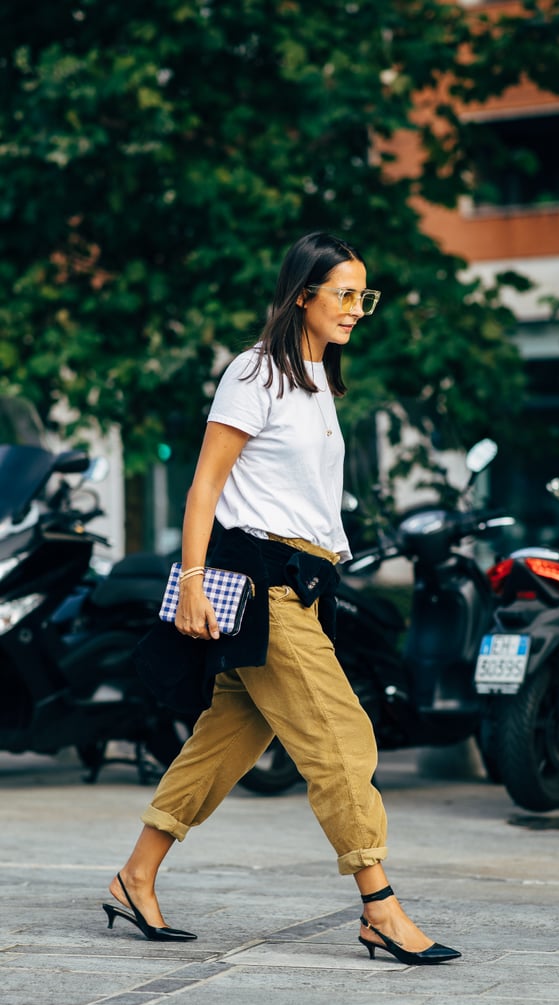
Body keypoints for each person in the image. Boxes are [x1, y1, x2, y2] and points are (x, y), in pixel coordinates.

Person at [102, 231, 461, 966]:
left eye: (365, 296)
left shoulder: (318, 379)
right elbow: (205, 487)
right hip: (262, 586)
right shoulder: (255, 373)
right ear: (303, 293)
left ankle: (135, 874)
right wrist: (193, 583)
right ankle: (380, 909)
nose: (358, 308)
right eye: (344, 293)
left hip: (306, 584)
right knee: (342, 741)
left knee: (226, 739)